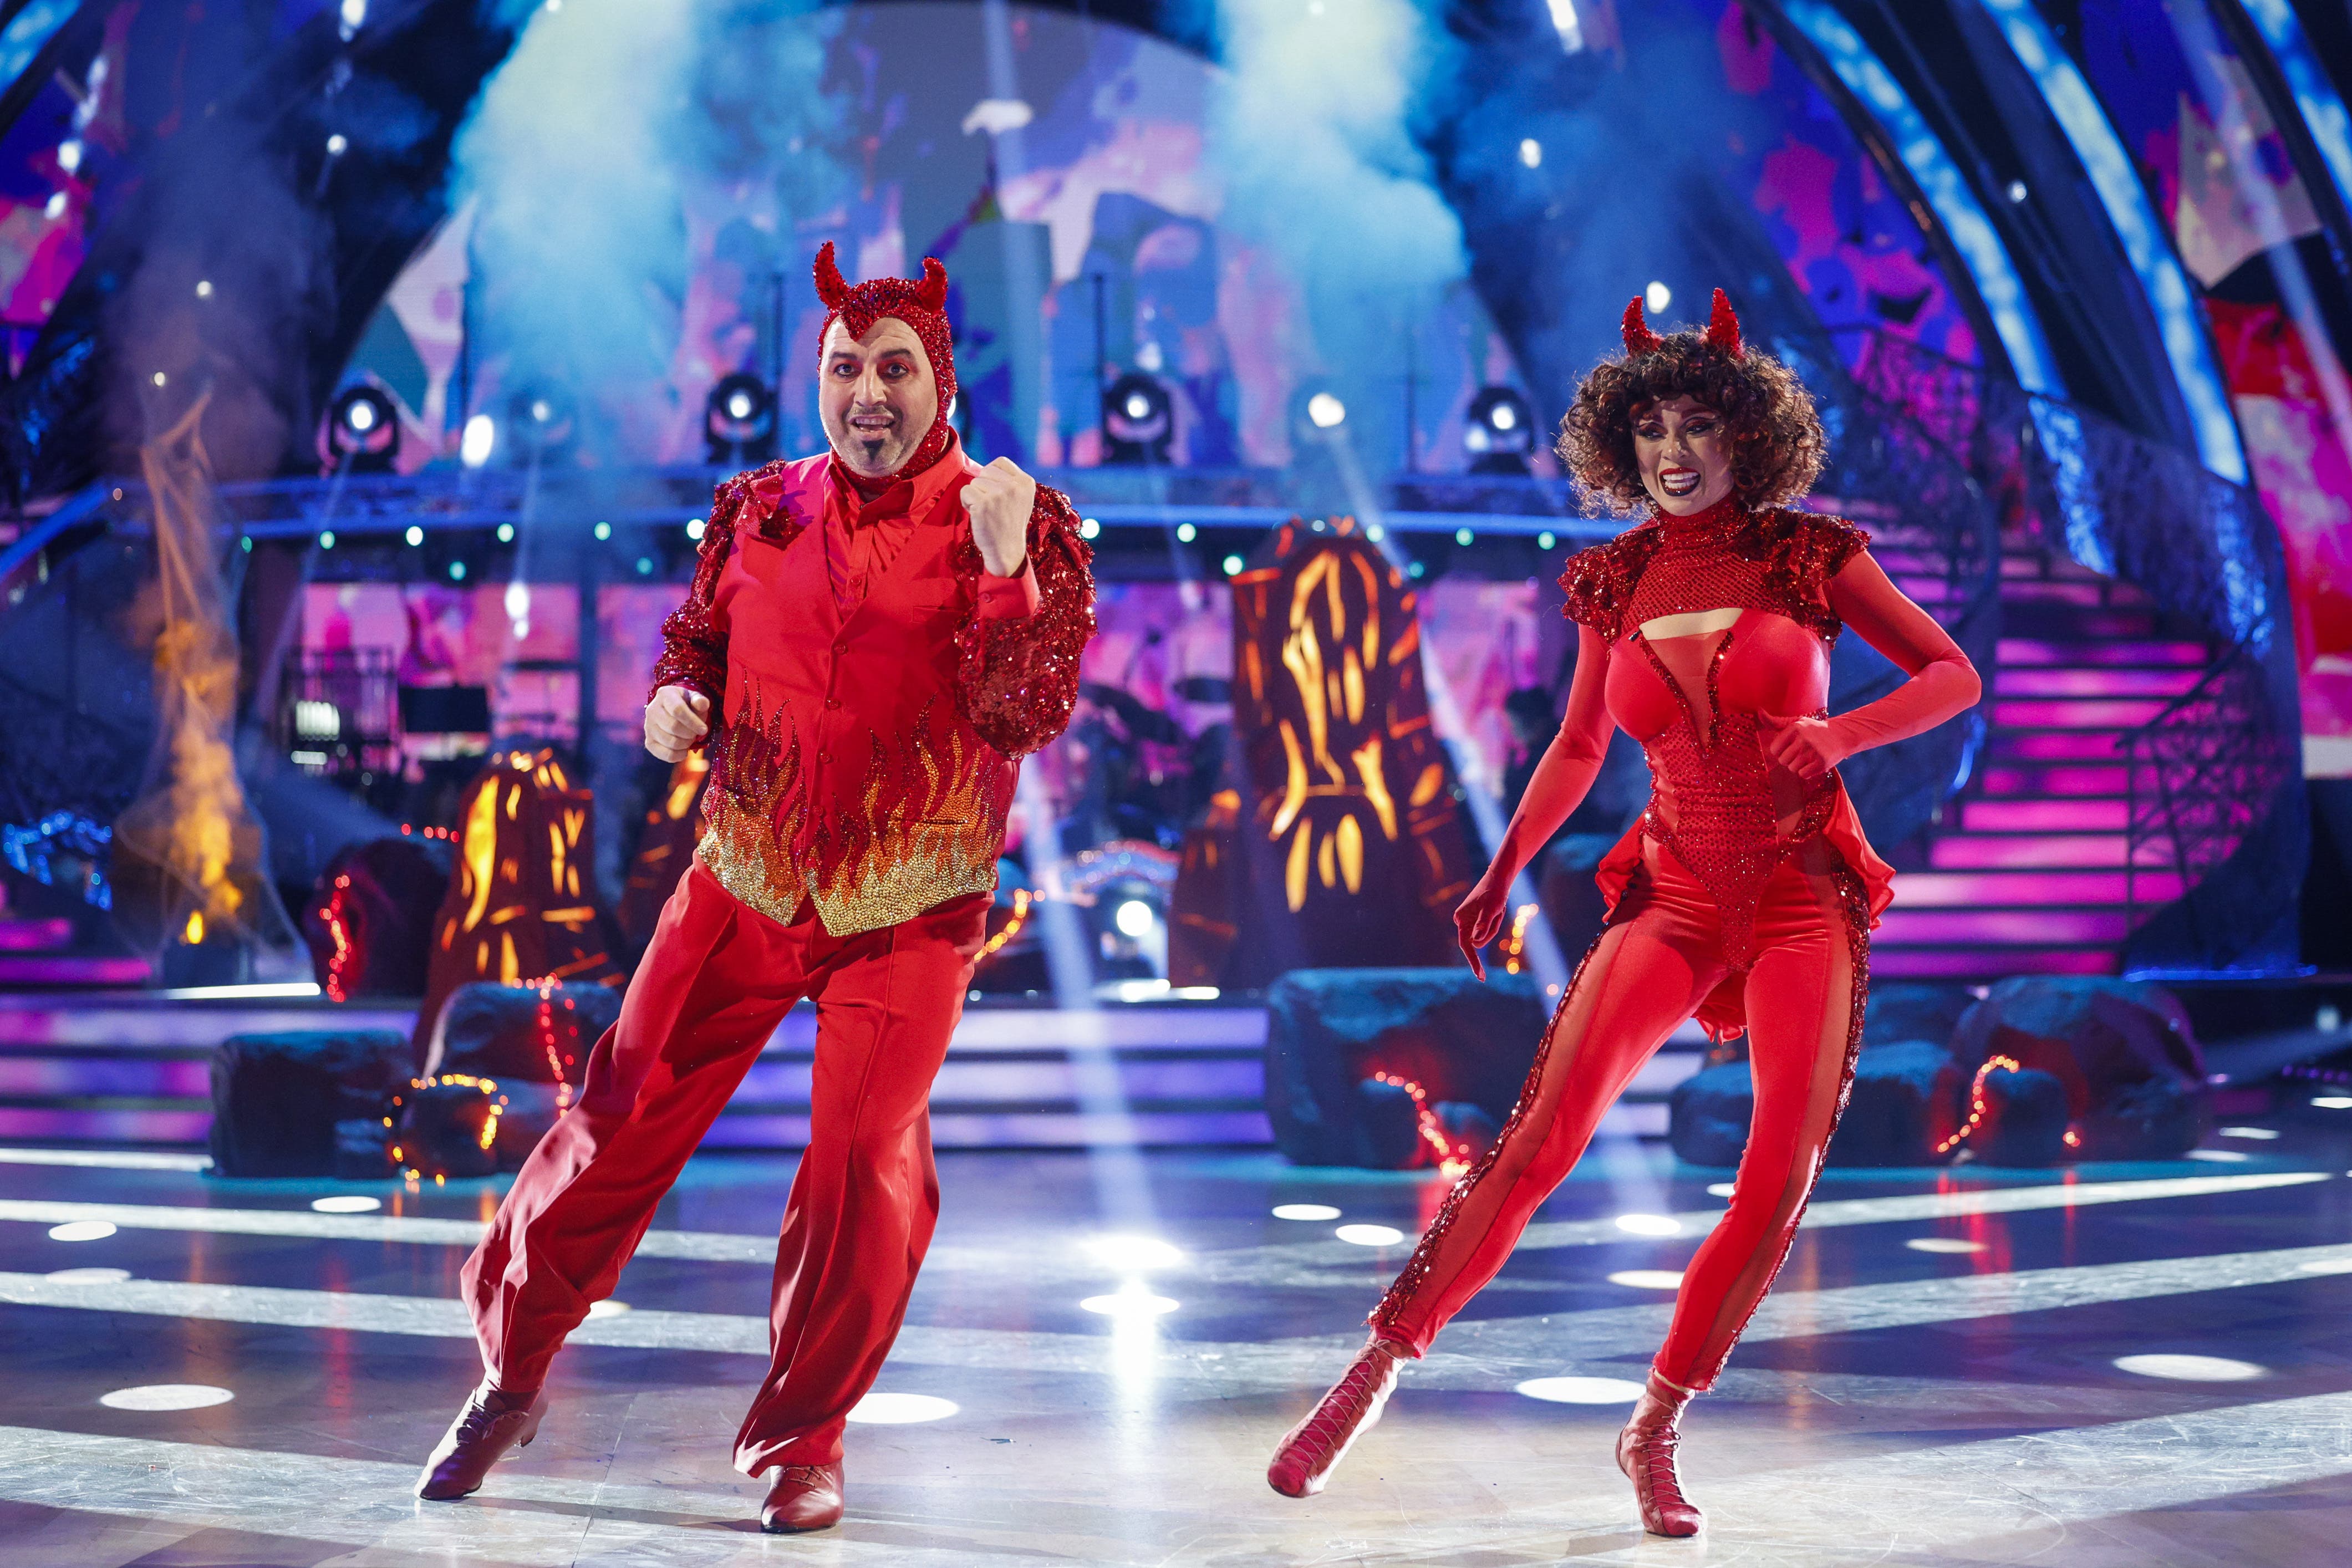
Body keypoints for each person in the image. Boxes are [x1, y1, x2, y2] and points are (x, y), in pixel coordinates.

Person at [1265, 290, 1979, 1536]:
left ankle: (1655, 1424)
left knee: (1782, 1172)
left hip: (1805, 898)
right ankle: (1370, 1370)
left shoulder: (1811, 555)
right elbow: (1580, 743)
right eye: (1651, 424)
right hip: (1677, 893)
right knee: (1539, 1138)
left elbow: (1952, 672)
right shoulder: (1616, 578)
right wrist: (1503, 867)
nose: (1674, 448)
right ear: (1621, 443)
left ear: (1746, 436)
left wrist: (1843, 731)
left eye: (1700, 422)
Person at [415, 245, 1096, 1533]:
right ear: (819, 381)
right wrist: (678, 695)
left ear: (939, 381)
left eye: (896, 369)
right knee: (617, 1114)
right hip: (746, 869)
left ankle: (805, 1439)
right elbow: (699, 643)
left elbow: (1027, 713)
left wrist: (1006, 568)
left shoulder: (1015, 515)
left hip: (910, 902)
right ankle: (510, 1370)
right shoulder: (756, 506)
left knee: (856, 1162)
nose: (869, 394)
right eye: (846, 368)